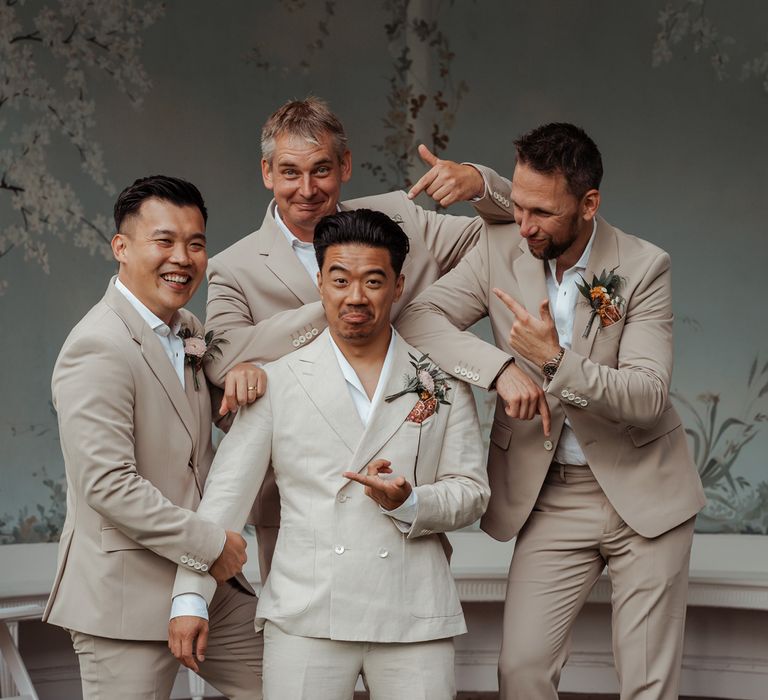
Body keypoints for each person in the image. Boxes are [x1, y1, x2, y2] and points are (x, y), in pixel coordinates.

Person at [397, 123, 706, 700]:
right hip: (550, 494)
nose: (524, 224)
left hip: (646, 490)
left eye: (541, 212)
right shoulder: (498, 249)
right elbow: (419, 320)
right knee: (521, 672)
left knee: (648, 685)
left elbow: (647, 396)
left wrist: (555, 361)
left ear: (589, 205)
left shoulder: (642, 267)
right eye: (516, 205)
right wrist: (499, 369)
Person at [169, 208, 490, 700]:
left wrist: (409, 502)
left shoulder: (441, 379)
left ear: (398, 286)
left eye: (373, 281)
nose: (355, 297)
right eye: (340, 280)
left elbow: (472, 493)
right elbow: (226, 498)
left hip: (414, 615)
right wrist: (190, 598)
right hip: (306, 614)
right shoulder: (276, 379)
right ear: (320, 283)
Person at [202, 96, 517, 580]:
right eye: (289, 172)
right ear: (267, 173)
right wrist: (339, 305)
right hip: (296, 510)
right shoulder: (233, 267)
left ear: (345, 165)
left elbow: (512, 238)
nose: (306, 189)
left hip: (408, 500)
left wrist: (481, 185)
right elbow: (220, 359)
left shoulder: (398, 217)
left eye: (321, 170)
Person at [44, 176, 265, 699]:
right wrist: (212, 544)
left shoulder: (186, 325)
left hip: (209, 587)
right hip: (125, 593)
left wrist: (247, 373)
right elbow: (107, 484)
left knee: (293, 684)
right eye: (164, 241)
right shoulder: (96, 347)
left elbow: (210, 429)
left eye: (195, 243)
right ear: (121, 248)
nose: (182, 258)